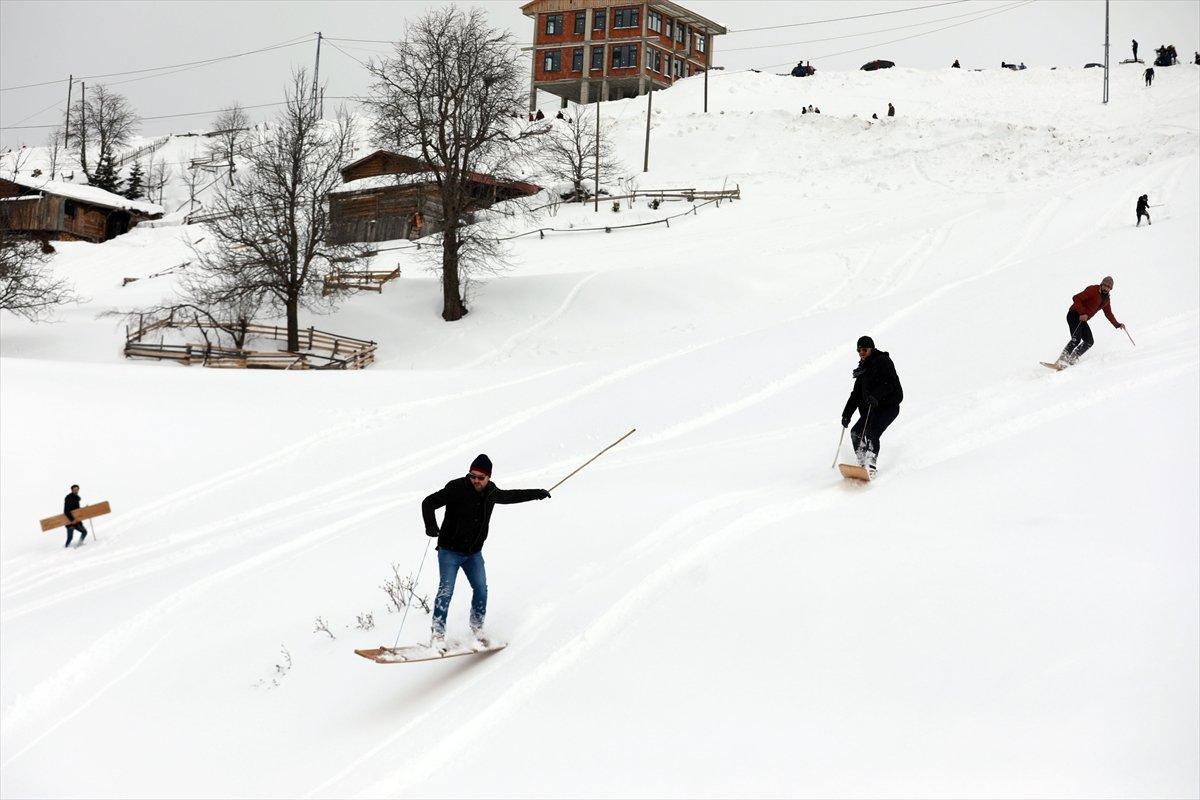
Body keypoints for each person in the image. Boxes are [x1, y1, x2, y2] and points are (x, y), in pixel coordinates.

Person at [421, 455, 550, 647]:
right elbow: (428, 502)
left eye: (481, 477)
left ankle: (477, 627)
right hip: (450, 551)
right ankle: (438, 635)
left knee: (481, 589)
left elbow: (512, 496)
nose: (476, 480)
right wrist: (430, 525)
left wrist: (537, 493)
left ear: (488, 477)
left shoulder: (491, 492)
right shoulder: (456, 487)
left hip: (473, 553)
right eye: (473, 476)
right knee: (446, 591)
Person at [841, 337, 903, 477]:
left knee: (872, 433)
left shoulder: (883, 361)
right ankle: (862, 463)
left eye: (864, 349)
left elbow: (890, 383)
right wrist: (847, 414)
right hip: (872, 409)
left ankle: (870, 466)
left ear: (872, 349)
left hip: (889, 407)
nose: (861, 353)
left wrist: (876, 395)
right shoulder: (863, 369)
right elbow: (856, 395)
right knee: (856, 432)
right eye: (859, 350)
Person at [1056, 277, 1124, 367]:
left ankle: (1071, 359)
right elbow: (1076, 298)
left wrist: (1117, 324)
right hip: (1074, 314)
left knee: (1089, 341)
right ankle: (1061, 361)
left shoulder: (1106, 299)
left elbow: (1108, 313)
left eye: (1109, 287)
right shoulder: (1093, 290)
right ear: (1101, 284)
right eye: (1105, 285)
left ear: (1111, 289)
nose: (1106, 288)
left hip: (1082, 318)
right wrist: (1082, 312)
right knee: (1076, 339)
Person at [63, 484, 87, 548]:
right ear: (72, 490)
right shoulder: (68, 498)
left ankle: (79, 544)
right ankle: (65, 547)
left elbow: (76, 510)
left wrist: (85, 509)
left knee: (84, 532)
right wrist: (72, 520)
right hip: (70, 522)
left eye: (77, 489)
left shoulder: (76, 498)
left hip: (77, 521)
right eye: (74, 489)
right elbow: (66, 511)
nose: (76, 491)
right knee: (70, 538)